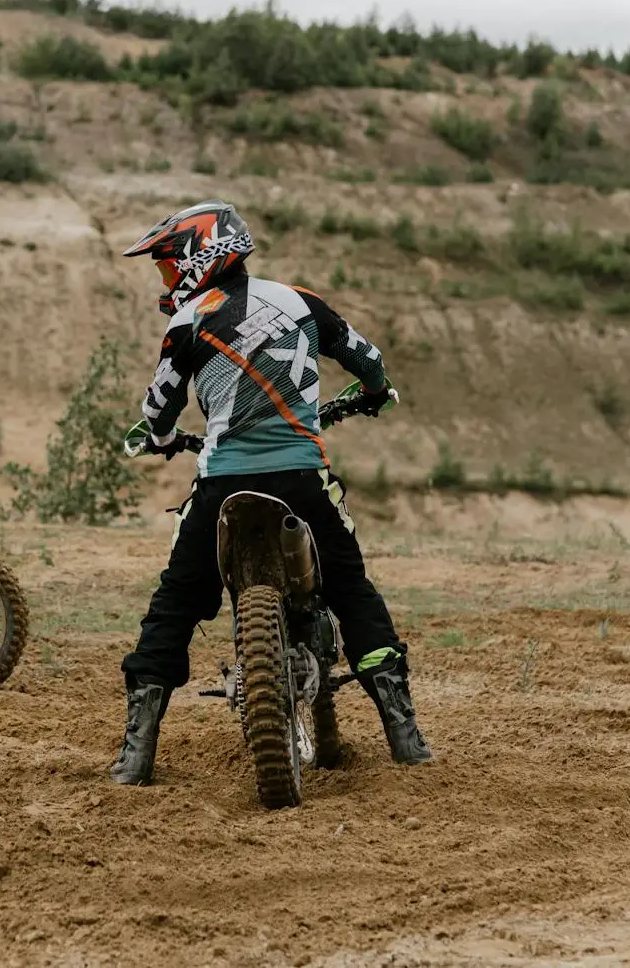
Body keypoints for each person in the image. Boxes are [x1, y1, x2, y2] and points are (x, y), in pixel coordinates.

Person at [110, 200, 433, 785]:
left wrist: (161, 439)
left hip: (221, 483)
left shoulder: (187, 323)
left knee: (175, 602)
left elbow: (158, 412)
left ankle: (137, 750)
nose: (165, 280)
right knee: (352, 589)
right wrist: (374, 391)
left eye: (166, 266)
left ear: (198, 258)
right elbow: (369, 361)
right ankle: (404, 733)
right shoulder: (302, 302)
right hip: (303, 478)